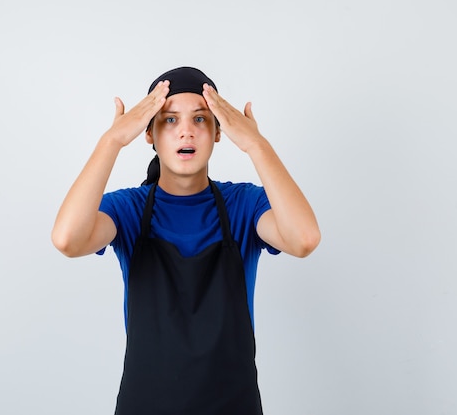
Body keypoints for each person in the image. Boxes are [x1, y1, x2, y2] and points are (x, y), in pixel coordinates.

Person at [51, 66, 320, 415]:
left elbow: (304, 239)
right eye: (169, 120)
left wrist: (256, 144)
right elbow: (67, 239)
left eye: (200, 119)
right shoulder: (129, 210)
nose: (186, 132)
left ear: (218, 131)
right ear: (149, 133)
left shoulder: (244, 205)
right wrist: (112, 141)